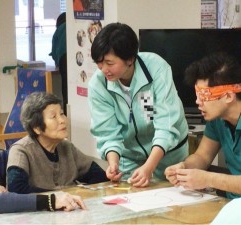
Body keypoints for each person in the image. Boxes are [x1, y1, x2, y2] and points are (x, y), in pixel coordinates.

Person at [88, 22, 189, 188]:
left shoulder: (156, 68)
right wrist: (113, 162)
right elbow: (107, 132)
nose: (104, 69)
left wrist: (149, 167)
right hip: (130, 158)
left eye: (109, 63)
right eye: (99, 63)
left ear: (130, 59)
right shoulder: (98, 85)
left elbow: (166, 123)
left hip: (168, 156)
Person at [165, 52, 241, 199]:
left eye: (204, 96)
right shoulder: (217, 120)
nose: (198, 102)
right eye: (197, 94)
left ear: (228, 96)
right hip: (231, 204)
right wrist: (184, 168)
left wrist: (208, 179)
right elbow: (203, 156)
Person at [7, 92, 108, 194]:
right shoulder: (21, 150)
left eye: (62, 113)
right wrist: (62, 195)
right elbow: (16, 190)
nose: (62, 120)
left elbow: (99, 176)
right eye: (53, 116)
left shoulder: (66, 146)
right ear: (37, 128)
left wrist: (111, 173)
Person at [50, 12, 68, 115]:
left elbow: (54, 51)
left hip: (63, 60)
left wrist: (57, 61)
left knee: (66, 91)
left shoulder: (59, 30)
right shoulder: (72, 26)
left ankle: (66, 115)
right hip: (74, 59)